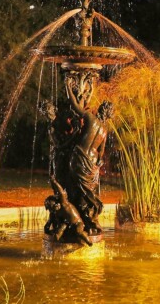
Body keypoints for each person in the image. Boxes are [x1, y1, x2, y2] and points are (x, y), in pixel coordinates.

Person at [66, 80, 113, 234]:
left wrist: (68, 87)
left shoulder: (90, 118)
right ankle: (90, 221)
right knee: (88, 193)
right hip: (92, 164)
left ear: (99, 109)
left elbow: (75, 106)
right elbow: (101, 154)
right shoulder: (104, 130)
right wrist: (96, 165)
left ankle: (75, 221)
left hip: (80, 157)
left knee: (76, 188)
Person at [44, 176, 93, 246]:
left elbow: (61, 192)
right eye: (51, 209)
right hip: (67, 223)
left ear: (57, 203)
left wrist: (54, 181)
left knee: (78, 231)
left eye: (54, 207)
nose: (53, 210)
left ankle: (89, 242)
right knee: (59, 231)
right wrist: (50, 229)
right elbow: (53, 222)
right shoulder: (55, 212)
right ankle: (57, 244)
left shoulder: (64, 204)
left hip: (77, 223)